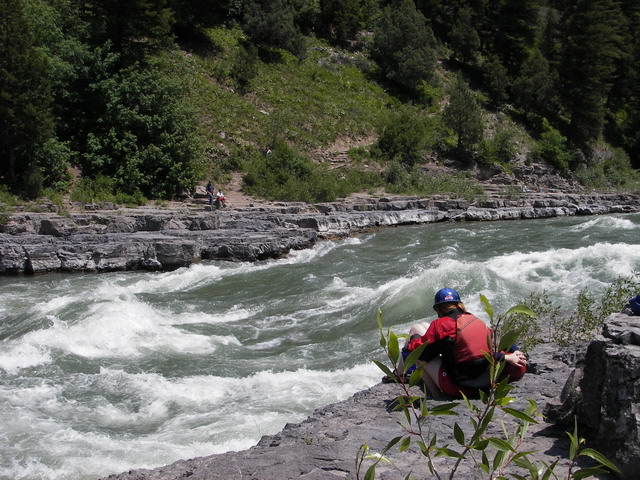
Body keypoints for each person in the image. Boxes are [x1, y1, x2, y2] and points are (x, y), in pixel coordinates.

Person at [404, 288, 527, 399]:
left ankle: (436, 397)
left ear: (438, 308)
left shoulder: (440, 324)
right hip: (485, 384)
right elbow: (494, 339)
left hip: (459, 388)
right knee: (423, 327)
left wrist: (413, 338)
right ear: (459, 304)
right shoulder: (474, 319)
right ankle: (400, 373)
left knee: (417, 349)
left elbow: (418, 352)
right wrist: (514, 350)